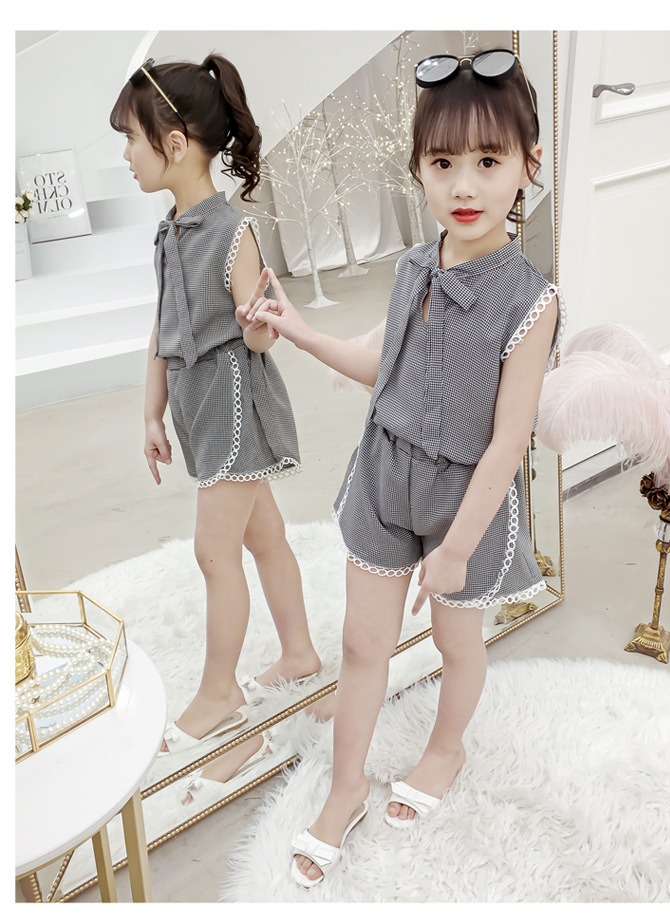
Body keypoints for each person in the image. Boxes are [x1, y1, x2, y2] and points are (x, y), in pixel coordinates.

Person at [239, 48, 564, 886]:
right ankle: (345, 786)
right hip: (385, 475)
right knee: (362, 643)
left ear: (529, 164)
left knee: (457, 642)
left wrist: (456, 549)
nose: (465, 185)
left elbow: (508, 442)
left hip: (466, 497)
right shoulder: (413, 268)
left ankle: (446, 748)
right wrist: (301, 331)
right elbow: (378, 367)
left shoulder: (531, 302)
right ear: (417, 169)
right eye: (442, 163)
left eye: (488, 161)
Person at [109, 54, 321, 787]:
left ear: (172, 144)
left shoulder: (233, 233)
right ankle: (299, 653)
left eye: (130, 140)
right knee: (264, 536)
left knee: (214, 551)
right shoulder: (170, 233)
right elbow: (162, 327)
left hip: (232, 405)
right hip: (197, 407)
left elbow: (260, 334)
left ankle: (221, 691)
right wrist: (151, 411)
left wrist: (258, 324)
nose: (126, 155)